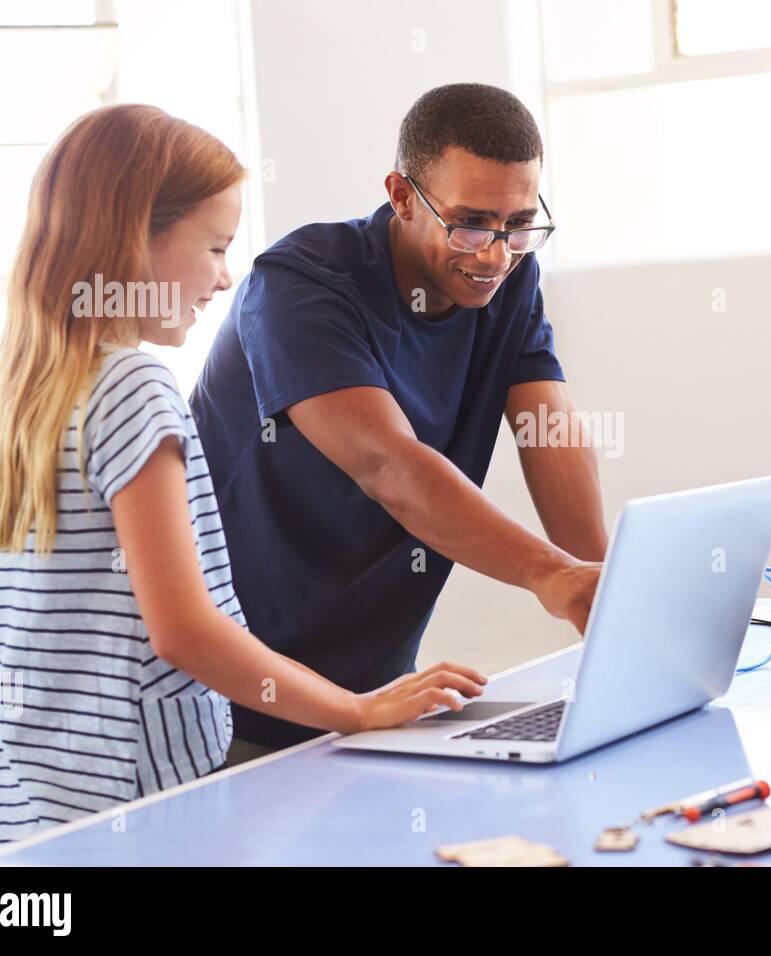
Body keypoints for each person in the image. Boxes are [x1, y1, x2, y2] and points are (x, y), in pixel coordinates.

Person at [0, 104, 485, 844]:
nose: (225, 278)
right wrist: (357, 709)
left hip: (37, 818)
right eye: (213, 247)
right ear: (137, 236)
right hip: (139, 814)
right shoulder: (134, 388)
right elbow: (185, 632)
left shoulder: (24, 392)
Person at [190, 83, 607, 754]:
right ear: (403, 195)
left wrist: (604, 587)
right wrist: (549, 573)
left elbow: (548, 427)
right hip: (238, 700)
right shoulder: (299, 285)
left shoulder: (508, 280)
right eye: (470, 223)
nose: (495, 253)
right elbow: (389, 466)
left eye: (518, 224)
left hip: (378, 697)